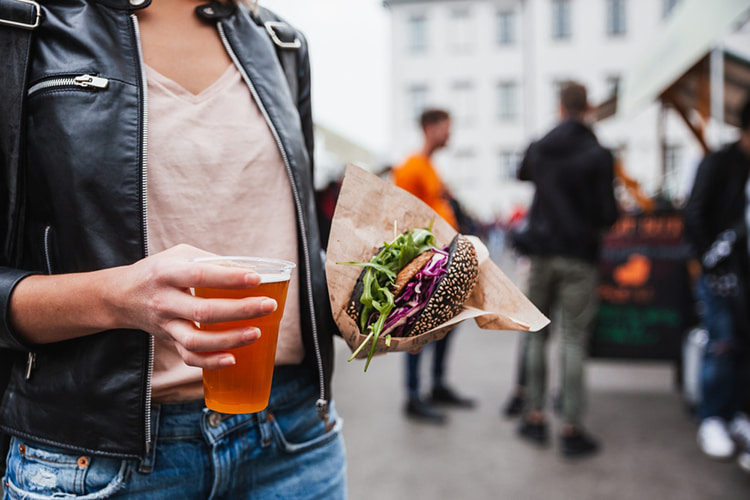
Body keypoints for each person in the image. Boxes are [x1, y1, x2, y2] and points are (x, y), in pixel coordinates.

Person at [0, 1, 347, 498]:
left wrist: (378, 300)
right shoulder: (23, 25)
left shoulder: (279, 42)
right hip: (97, 461)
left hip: (293, 439)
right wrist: (115, 297)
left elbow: (294, 246)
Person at [514, 82, 618, 457]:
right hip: (579, 257)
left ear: (560, 107)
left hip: (540, 253)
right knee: (573, 340)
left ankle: (535, 417)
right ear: (587, 107)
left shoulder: (541, 146)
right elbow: (609, 214)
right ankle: (571, 428)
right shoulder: (598, 153)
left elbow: (522, 172)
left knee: (537, 336)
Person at [392, 108, 476, 425]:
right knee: (418, 328)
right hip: (426, 262)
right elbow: (401, 217)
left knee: (446, 324)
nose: (450, 134)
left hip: (444, 258)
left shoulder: (428, 167)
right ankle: (413, 395)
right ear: (430, 128)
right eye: (446, 128)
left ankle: (437, 384)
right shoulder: (411, 167)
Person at [684, 96, 750, 473]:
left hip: (741, 275)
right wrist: (708, 259)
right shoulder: (720, 163)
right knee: (722, 343)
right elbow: (694, 215)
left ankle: (732, 412)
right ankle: (713, 416)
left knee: (740, 346)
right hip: (719, 275)